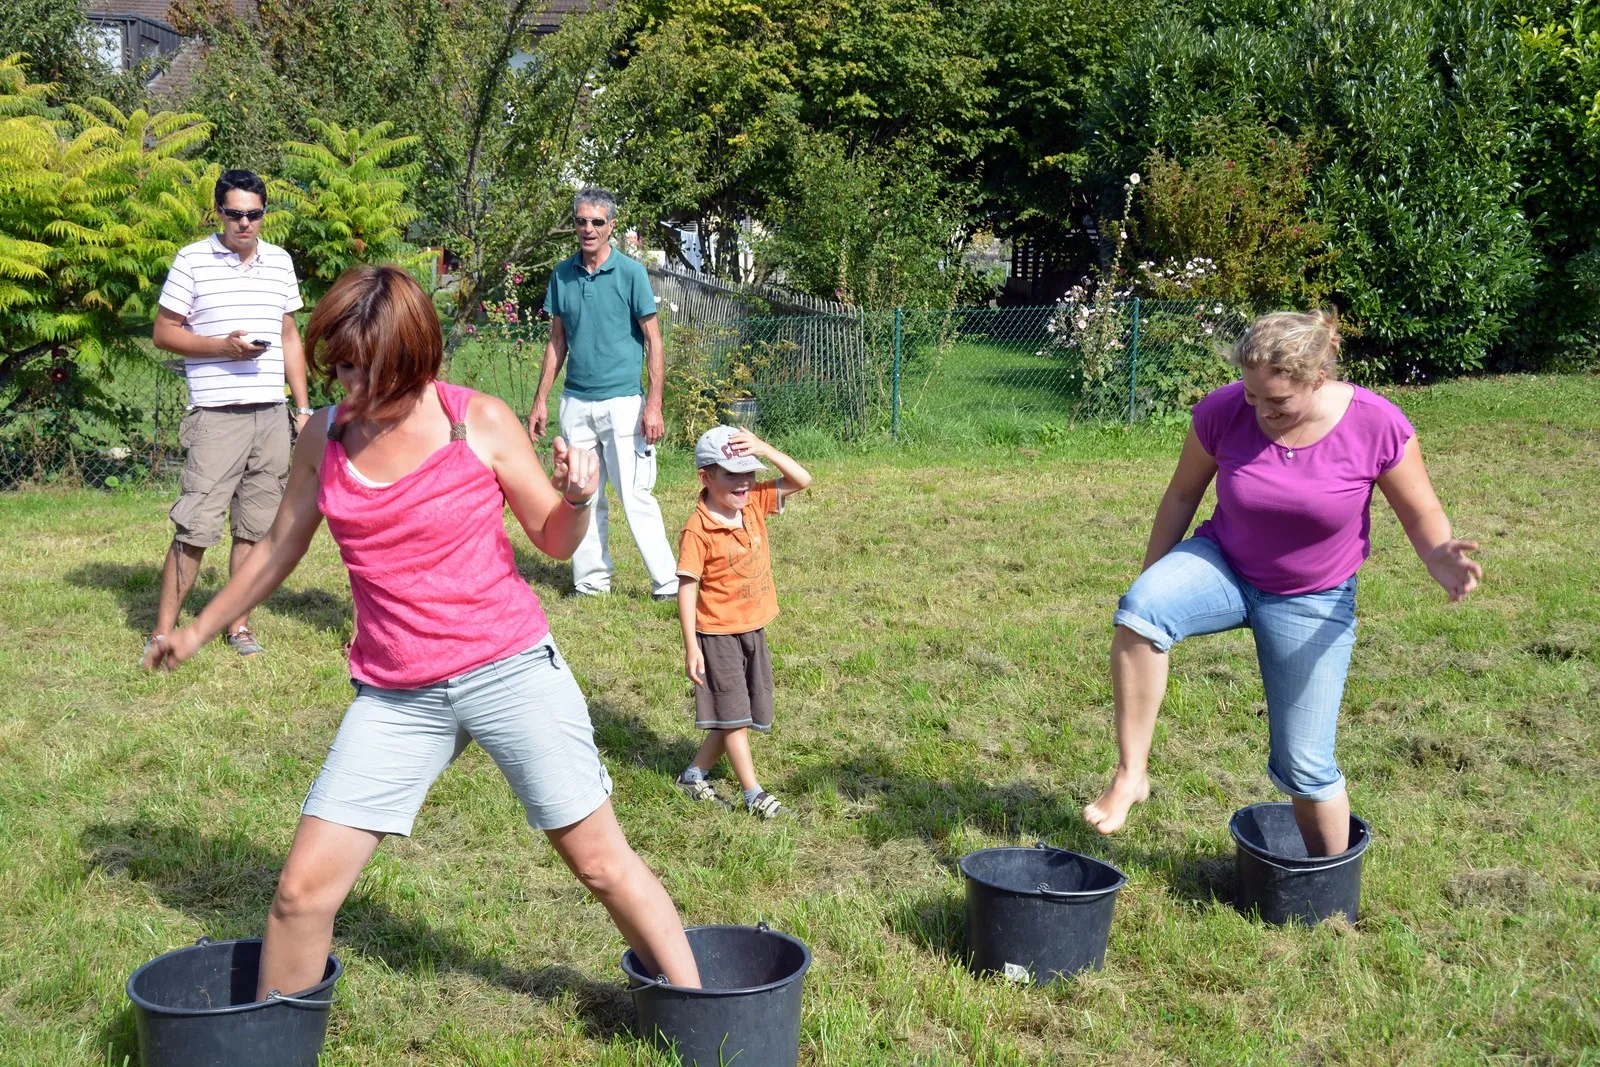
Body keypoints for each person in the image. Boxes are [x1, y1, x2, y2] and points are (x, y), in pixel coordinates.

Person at [142, 264, 700, 999]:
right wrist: (199, 627)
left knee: (600, 863)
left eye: (364, 369)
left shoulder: (479, 422)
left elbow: (554, 538)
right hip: (396, 693)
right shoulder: (325, 435)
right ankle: (270, 1036)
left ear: (410, 359)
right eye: (339, 365)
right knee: (300, 894)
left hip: (509, 668)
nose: (348, 384)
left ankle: (702, 1015)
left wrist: (577, 499)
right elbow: (278, 547)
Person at [1083, 311, 1481, 855]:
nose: (1261, 411)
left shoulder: (1375, 423)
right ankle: (1132, 774)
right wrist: (1151, 574)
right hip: (1225, 564)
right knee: (1141, 611)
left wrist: (1437, 554)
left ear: (1319, 378)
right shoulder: (1224, 411)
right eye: (1252, 395)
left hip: (1311, 596)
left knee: (1305, 766)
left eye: (1277, 401)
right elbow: (1181, 495)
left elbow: (1421, 511)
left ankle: (1329, 881)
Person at [147, 169, 314, 659]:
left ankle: (238, 625)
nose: (244, 223)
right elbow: (163, 333)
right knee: (195, 528)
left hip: (271, 414)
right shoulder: (191, 260)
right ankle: (162, 634)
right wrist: (222, 347)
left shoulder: (280, 262)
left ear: (264, 214)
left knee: (256, 528)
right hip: (216, 415)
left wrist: (302, 407)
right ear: (218, 212)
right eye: (235, 213)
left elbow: (289, 337)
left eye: (254, 214)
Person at [528, 187, 678, 600]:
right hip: (576, 403)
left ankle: (667, 583)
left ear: (611, 226)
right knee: (583, 494)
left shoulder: (631, 274)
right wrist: (541, 401)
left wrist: (654, 404)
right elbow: (557, 341)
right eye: (581, 221)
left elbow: (654, 341)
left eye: (596, 222)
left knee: (635, 496)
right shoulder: (562, 274)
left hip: (623, 404)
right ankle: (591, 582)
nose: (588, 229)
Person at [673, 425, 812, 818]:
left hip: (752, 628)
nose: (744, 482)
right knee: (735, 718)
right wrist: (691, 646)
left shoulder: (753, 504)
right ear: (705, 477)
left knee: (737, 711)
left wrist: (764, 448)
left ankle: (694, 775)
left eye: (749, 472)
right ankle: (753, 794)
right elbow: (687, 589)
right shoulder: (698, 529)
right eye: (732, 474)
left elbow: (802, 479)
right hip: (718, 635)